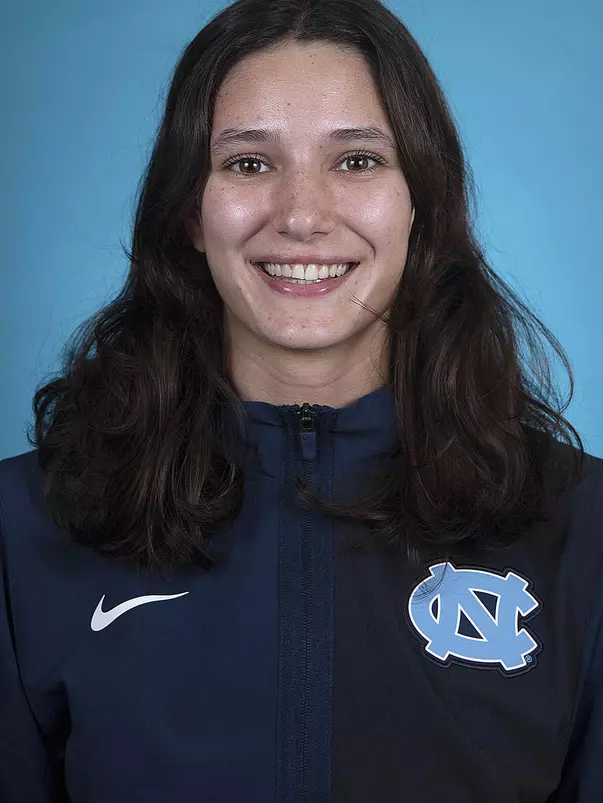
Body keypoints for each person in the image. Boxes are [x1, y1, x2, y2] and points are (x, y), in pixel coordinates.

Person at [1, 0, 601, 800]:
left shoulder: (582, 530)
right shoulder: (26, 526)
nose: (302, 216)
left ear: (420, 201)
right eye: (249, 163)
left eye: (355, 161)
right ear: (189, 209)